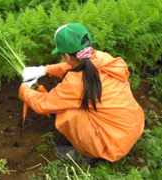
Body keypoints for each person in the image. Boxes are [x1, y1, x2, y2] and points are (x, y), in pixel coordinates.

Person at [19, 23, 144, 162]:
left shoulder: (75, 83)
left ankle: (89, 154)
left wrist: (24, 90)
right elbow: (76, 64)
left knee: (66, 112)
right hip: (132, 127)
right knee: (77, 103)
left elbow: (44, 104)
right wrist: (45, 70)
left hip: (113, 145)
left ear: (66, 56)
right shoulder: (103, 58)